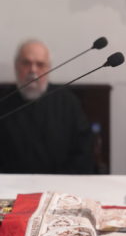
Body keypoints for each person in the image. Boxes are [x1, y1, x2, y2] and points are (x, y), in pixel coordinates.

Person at [0, 40, 94, 174]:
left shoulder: (67, 102)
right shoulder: (3, 101)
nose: (33, 70)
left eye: (40, 64)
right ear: (16, 66)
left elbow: (83, 150)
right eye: (26, 63)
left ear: (49, 68)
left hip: (60, 182)